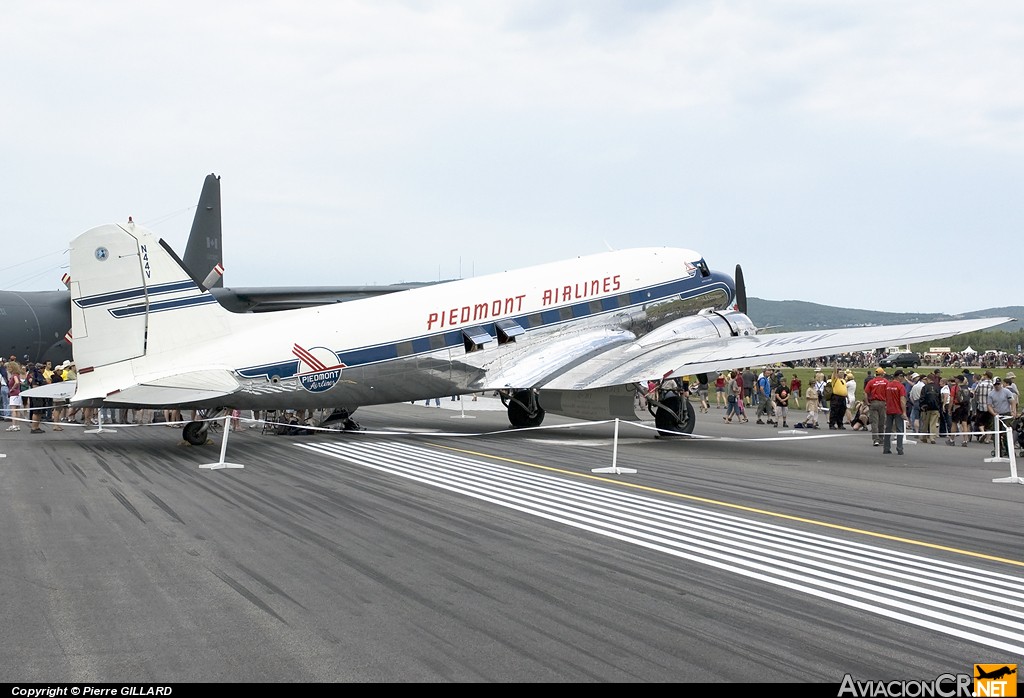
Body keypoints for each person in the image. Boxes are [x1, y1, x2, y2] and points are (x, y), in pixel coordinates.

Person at [987, 377, 1018, 456]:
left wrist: (1013, 411)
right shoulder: (991, 394)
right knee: (996, 433)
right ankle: (998, 450)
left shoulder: (1006, 392)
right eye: (995, 385)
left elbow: (1012, 402)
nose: (997, 386)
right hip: (997, 415)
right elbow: (989, 405)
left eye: (998, 384)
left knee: (1005, 433)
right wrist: (993, 413)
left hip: (1006, 414)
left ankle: (1009, 450)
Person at [883, 369, 908, 455]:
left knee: (888, 429)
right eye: (902, 376)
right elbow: (902, 400)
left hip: (889, 409)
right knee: (899, 430)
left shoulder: (888, 385)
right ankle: (899, 448)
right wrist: (904, 412)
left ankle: (886, 448)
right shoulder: (900, 386)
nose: (903, 378)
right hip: (897, 410)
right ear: (899, 376)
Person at [864, 367, 889, 447]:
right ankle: (881, 438)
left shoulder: (871, 382)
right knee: (882, 421)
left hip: (873, 402)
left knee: (874, 422)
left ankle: (876, 439)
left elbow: (865, 393)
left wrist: (867, 402)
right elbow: (888, 392)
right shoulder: (885, 382)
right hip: (882, 403)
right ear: (882, 374)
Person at [918, 373, 942, 444]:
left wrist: (922, 406)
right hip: (935, 408)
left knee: (925, 423)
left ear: (928, 379)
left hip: (926, 408)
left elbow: (922, 398)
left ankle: (924, 437)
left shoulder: (925, 387)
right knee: (933, 424)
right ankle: (932, 438)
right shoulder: (937, 387)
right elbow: (940, 398)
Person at [949, 375, 971, 447]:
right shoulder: (966, 388)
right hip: (965, 407)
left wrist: (950, 408)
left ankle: (952, 439)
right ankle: (965, 440)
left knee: (954, 423)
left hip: (957, 406)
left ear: (958, 380)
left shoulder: (955, 388)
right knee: (964, 423)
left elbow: (952, 399)